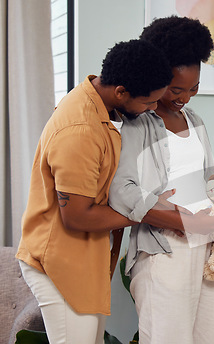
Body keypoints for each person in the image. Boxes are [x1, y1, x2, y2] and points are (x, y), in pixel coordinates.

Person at [16, 39, 172, 344]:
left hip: (82, 259)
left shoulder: (99, 103)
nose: (154, 109)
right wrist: (145, 213)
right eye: (149, 102)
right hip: (59, 262)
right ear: (121, 92)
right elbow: (77, 217)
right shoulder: (81, 130)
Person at [109, 16, 214, 344]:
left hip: (204, 251)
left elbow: (211, 176)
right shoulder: (137, 124)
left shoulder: (195, 120)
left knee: (205, 339)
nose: (185, 98)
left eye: (194, 88)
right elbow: (122, 190)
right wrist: (186, 221)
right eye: (176, 89)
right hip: (162, 251)